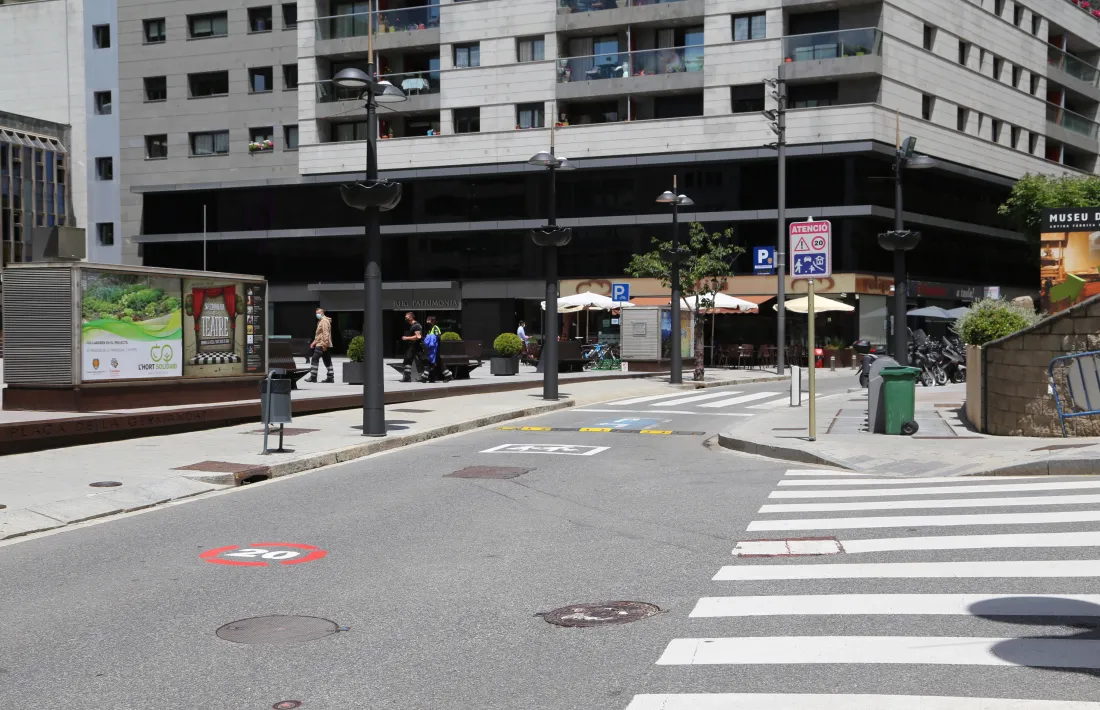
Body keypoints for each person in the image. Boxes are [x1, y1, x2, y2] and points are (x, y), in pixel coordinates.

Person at [421, 315, 453, 383]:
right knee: (433, 362)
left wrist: (430, 338)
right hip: (432, 349)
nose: (428, 322)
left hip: (435, 349)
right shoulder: (430, 329)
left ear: (433, 321)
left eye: (429, 320)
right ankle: (431, 378)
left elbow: (438, 337)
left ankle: (425, 377)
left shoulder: (435, 328)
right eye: (427, 320)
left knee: (433, 362)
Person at [306, 307, 334, 383]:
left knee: (314, 359)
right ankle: (330, 377)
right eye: (316, 313)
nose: (317, 314)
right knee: (327, 360)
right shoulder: (321, 321)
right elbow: (319, 334)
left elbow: (325, 333)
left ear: (322, 313)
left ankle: (313, 377)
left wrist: (324, 344)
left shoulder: (324, 321)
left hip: (322, 344)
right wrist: (314, 342)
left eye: (318, 313)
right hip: (320, 343)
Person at [400, 311, 424, 382]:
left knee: (422, 361)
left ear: (411, 317)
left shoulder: (416, 325)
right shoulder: (410, 325)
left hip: (416, 346)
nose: (405, 318)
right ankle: (407, 377)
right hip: (411, 346)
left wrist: (406, 338)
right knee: (407, 360)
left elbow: (418, 337)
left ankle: (423, 376)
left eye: (406, 317)